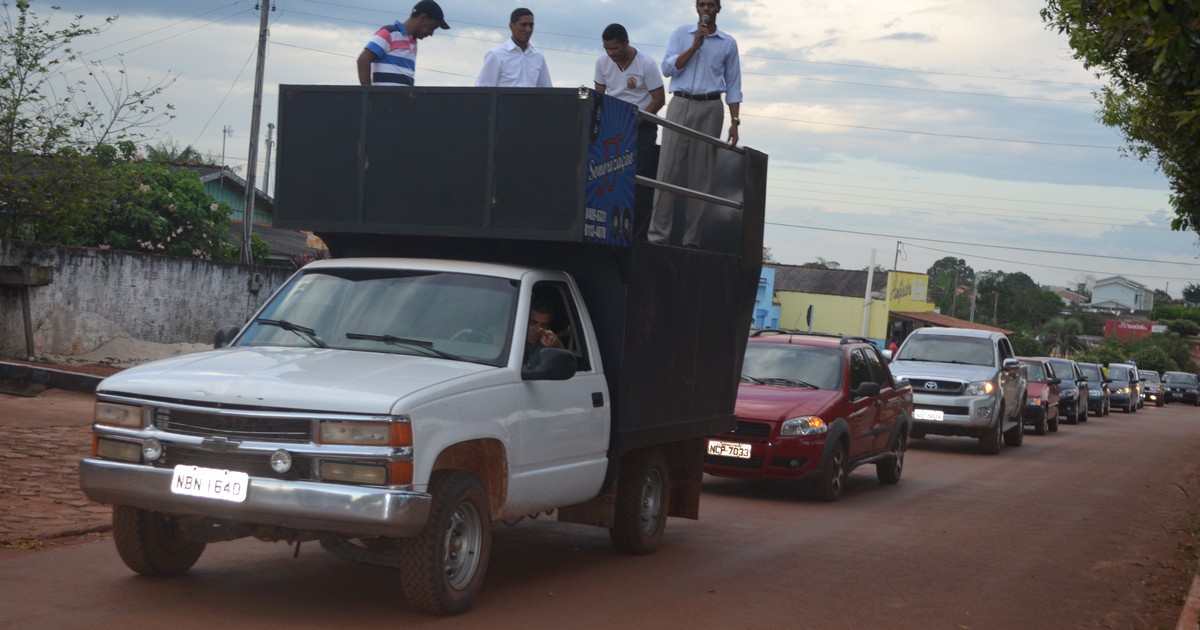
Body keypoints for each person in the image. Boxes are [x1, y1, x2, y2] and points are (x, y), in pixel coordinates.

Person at [648, 0, 742, 248]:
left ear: (718, 10)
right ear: (697, 9)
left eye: (711, 5)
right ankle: (658, 238)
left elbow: (733, 84)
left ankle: (691, 242)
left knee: (701, 177)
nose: (706, 9)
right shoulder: (681, 34)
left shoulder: (728, 43)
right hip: (680, 103)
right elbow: (668, 68)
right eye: (702, 5)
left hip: (710, 106)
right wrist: (693, 46)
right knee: (668, 171)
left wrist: (735, 121)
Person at [594, 23, 665, 238]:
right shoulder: (602, 62)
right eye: (607, 49)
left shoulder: (646, 63)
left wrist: (638, 120)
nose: (611, 53)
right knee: (608, 175)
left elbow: (659, 99)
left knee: (638, 179)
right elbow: (599, 95)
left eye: (615, 48)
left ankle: (636, 233)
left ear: (626, 43)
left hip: (642, 125)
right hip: (613, 126)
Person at [357, 0, 450, 86]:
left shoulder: (413, 43)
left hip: (402, 100)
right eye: (432, 27)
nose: (431, 33)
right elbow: (363, 60)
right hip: (384, 99)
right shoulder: (390, 33)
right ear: (422, 18)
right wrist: (368, 94)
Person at [475, 8, 552, 88]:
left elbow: (547, 91)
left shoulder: (538, 57)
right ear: (511, 26)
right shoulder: (496, 55)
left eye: (531, 25)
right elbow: (483, 90)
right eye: (523, 25)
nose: (528, 29)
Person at [525, 298, 564, 367]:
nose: (537, 330)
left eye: (543, 326)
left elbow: (563, 359)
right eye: (533, 323)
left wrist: (556, 344)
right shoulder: (510, 341)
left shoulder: (546, 347)